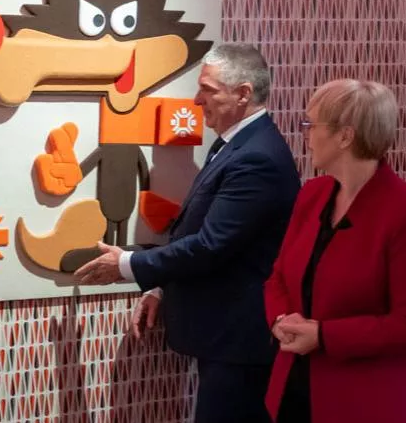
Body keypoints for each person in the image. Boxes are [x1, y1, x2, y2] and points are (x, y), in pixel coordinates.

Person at [75, 43, 300, 422]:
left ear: (243, 93)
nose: (196, 101)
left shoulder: (257, 157)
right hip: (223, 340)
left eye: (207, 90)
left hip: (239, 344)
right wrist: (161, 287)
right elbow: (200, 232)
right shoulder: (234, 145)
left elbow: (212, 245)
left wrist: (128, 264)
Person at [264, 79, 406, 423]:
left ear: (345, 136)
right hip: (296, 388)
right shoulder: (312, 194)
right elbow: (279, 276)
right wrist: (281, 319)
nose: (305, 135)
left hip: (371, 400)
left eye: (310, 124)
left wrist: (323, 336)